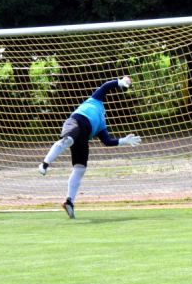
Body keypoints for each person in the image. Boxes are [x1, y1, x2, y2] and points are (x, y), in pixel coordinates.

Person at [38, 76, 142, 219]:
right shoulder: (96, 100)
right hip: (75, 122)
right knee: (67, 140)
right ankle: (44, 164)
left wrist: (124, 140)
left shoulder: (101, 123)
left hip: (84, 137)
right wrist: (121, 82)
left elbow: (107, 141)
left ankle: (69, 202)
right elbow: (106, 86)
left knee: (80, 168)